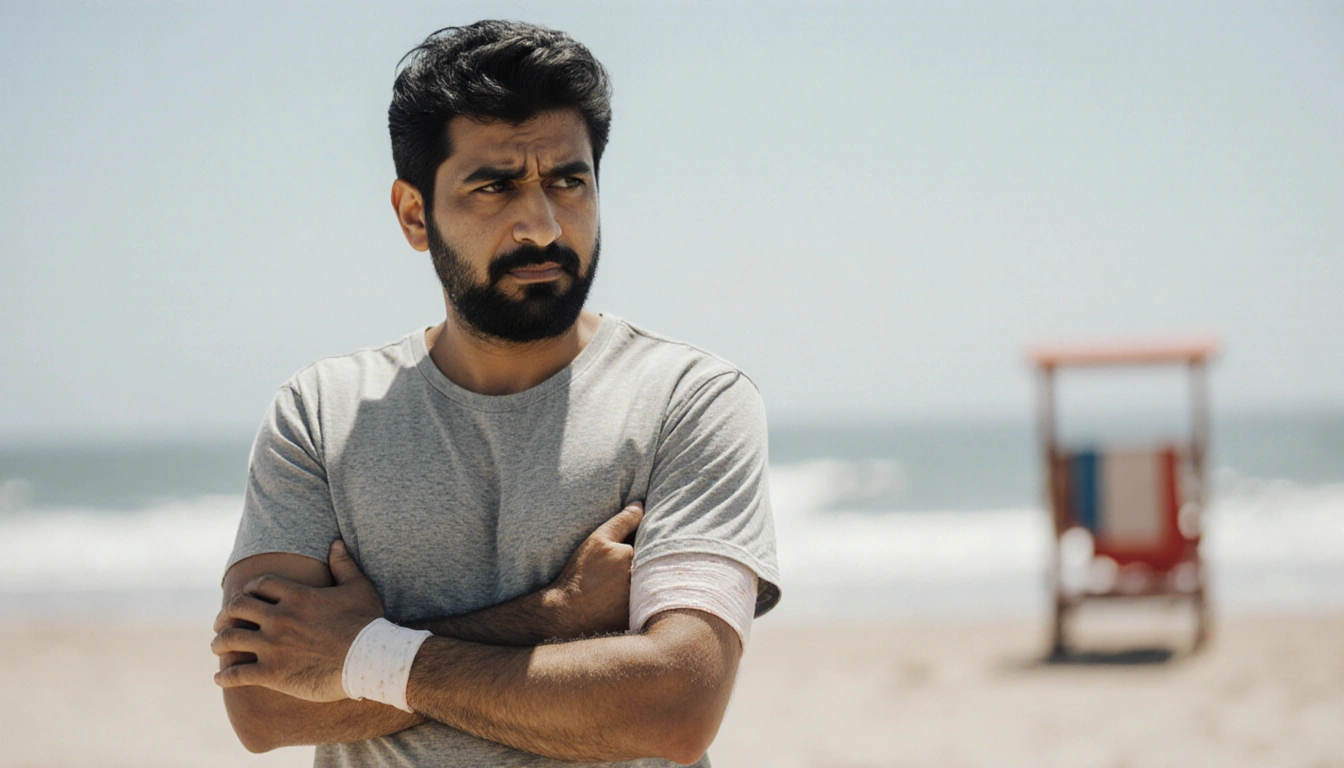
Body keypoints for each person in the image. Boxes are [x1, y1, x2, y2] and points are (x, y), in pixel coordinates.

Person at [211, 20, 780, 768]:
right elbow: (263, 705)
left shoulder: (688, 399)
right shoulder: (321, 413)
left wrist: (359, 653)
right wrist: (555, 615)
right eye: (494, 187)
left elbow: (678, 706)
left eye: (568, 182)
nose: (541, 226)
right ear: (415, 214)